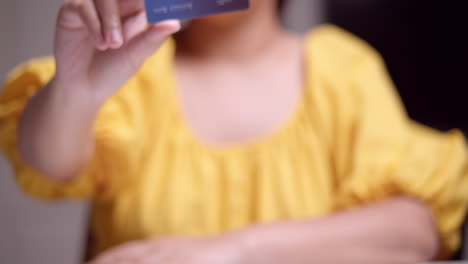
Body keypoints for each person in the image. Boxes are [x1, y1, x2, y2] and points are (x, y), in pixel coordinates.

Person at [0, 0, 467, 263]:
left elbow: (420, 231)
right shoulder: (136, 77)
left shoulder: (343, 70)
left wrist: (233, 251)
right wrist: (77, 89)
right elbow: (49, 163)